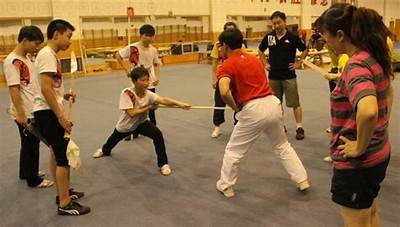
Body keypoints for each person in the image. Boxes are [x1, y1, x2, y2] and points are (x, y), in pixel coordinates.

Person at [316, 3, 393, 226]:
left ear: (340, 35)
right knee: (369, 213)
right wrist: (382, 126)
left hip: (360, 164)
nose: (326, 42)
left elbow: (368, 111)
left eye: (326, 36)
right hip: (379, 152)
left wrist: (360, 145)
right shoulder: (372, 56)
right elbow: (388, 91)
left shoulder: (356, 65)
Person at [215, 28, 310, 198]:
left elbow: (223, 91)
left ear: (225, 45)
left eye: (220, 45)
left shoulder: (227, 65)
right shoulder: (254, 59)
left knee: (233, 151)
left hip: (252, 110)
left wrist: (235, 108)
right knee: (282, 146)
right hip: (273, 104)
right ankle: (302, 180)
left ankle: (226, 185)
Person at [32, 19, 90, 216]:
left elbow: (51, 88)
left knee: (55, 153)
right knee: (63, 156)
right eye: (68, 36)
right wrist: (61, 117)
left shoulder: (50, 55)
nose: (70, 41)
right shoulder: (48, 55)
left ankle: (62, 192)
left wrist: (64, 96)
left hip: (47, 109)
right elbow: (45, 88)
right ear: (56, 34)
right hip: (47, 112)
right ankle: (65, 204)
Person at [93, 66, 191, 176]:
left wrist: (180, 104)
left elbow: (163, 99)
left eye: (147, 79)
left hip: (141, 123)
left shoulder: (148, 94)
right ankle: (104, 150)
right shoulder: (127, 93)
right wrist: (148, 107)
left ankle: (163, 164)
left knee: (157, 134)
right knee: (112, 141)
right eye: (143, 80)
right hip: (126, 125)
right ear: (134, 81)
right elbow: (131, 113)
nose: (146, 83)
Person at [4, 26, 53, 188]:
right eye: (35, 43)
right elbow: (14, 88)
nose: (37, 47)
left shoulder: (27, 58)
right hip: (24, 111)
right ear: (24, 41)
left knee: (27, 144)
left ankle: (25, 172)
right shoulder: (13, 61)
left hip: (31, 107)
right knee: (32, 145)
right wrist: (21, 113)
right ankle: (33, 179)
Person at [258, 11, 309, 140]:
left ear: (285, 22)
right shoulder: (269, 37)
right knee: (276, 104)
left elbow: (305, 49)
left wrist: (298, 62)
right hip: (273, 76)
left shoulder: (293, 37)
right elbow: (260, 50)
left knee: (295, 103)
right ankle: (280, 125)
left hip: (289, 76)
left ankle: (299, 127)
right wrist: (265, 63)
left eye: (279, 22)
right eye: (274, 23)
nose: (276, 25)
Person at [116, 24, 162, 141]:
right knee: (135, 107)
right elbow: (118, 55)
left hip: (149, 82)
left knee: (151, 106)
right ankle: (132, 131)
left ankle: (154, 130)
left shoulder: (153, 50)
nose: (152, 39)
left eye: (153, 37)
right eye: (149, 36)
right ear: (142, 35)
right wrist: (126, 70)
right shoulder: (132, 48)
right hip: (136, 83)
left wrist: (157, 77)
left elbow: (156, 64)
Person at [210, 22, 246, 138]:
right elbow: (215, 62)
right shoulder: (218, 45)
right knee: (219, 102)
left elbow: (243, 62)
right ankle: (217, 127)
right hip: (222, 77)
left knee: (238, 102)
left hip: (235, 78)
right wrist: (214, 78)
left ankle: (238, 127)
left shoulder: (241, 46)